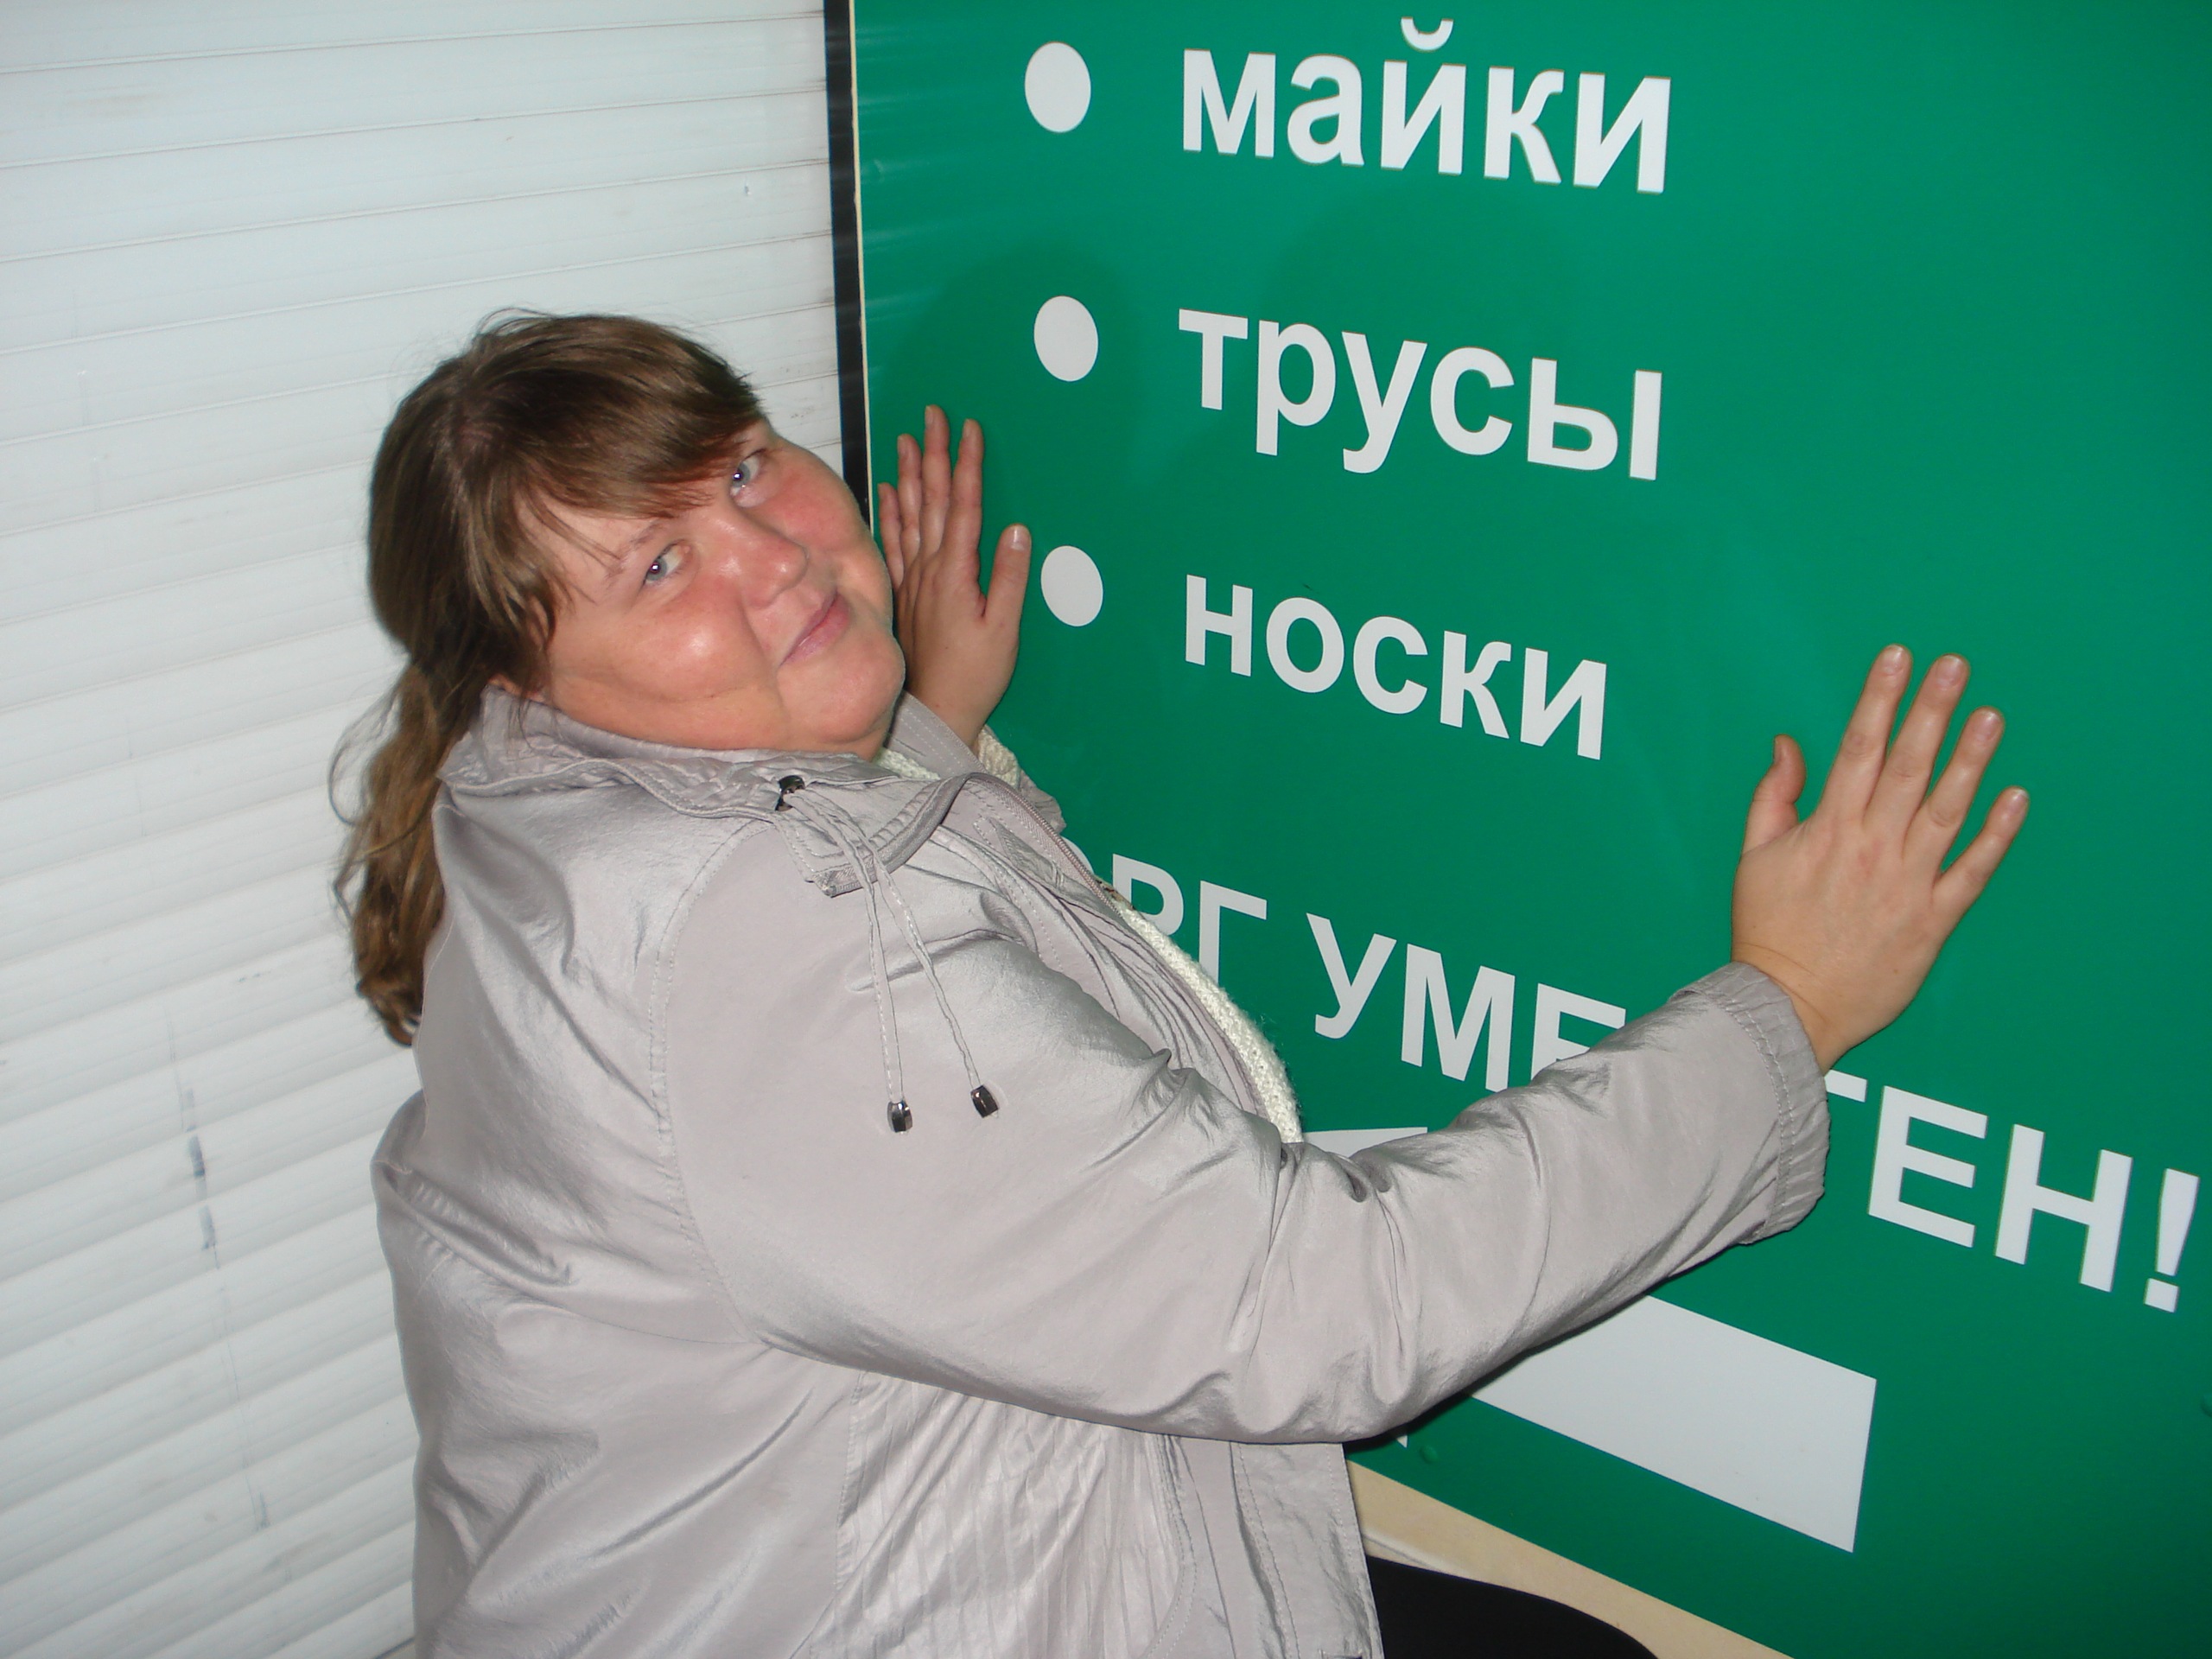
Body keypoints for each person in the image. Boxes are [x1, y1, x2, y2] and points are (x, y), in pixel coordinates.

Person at [342, 313, 2025, 1658]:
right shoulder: (768, 955)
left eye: (744, 468)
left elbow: (859, 1142)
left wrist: (919, 733)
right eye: (656, 566)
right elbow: (1328, 1310)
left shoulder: (546, 822)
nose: (771, 553)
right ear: (522, 675)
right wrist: (1785, 1005)